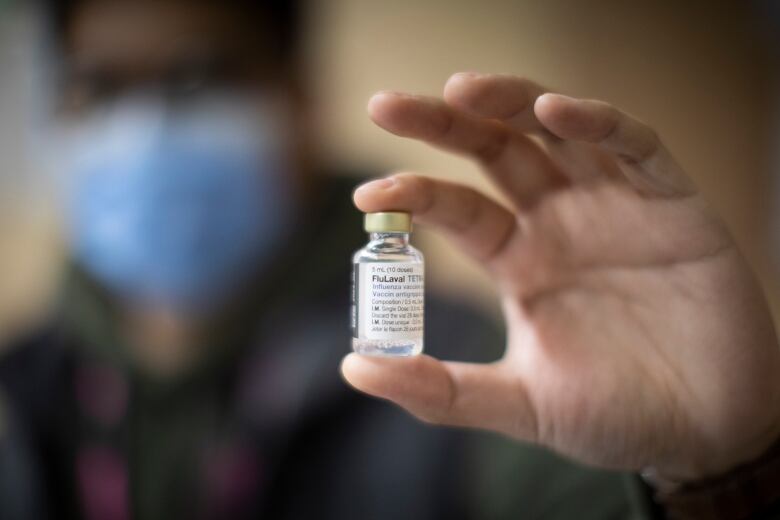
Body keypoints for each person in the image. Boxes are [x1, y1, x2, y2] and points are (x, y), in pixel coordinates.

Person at [0, 1, 779, 520]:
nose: (148, 130)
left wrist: (718, 479)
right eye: (98, 88)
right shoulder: (14, 393)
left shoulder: (491, 379)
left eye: (201, 80)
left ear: (299, 98)